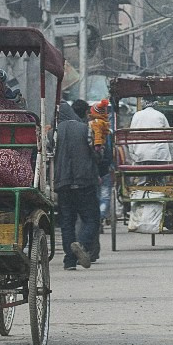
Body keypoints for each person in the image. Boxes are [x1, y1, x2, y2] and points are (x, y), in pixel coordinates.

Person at [54, 100, 101, 271]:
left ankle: (69, 261)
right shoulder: (85, 128)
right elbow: (96, 152)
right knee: (92, 219)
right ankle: (82, 243)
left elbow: (48, 154)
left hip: (63, 183)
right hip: (84, 181)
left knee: (67, 222)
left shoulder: (54, 132)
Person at [128, 99, 173, 185]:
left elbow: (131, 137)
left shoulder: (136, 115)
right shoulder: (161, 116)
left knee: (142, 177)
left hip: (141, 155)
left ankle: (141, 186)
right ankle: (160, 186)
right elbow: (169, 137)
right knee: (160, 179)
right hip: (160, 156)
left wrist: (133, 155)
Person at [88, 99, 112, 224]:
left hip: (93, 165)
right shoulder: (107, 129)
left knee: (96, 194)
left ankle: (98, 215)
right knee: (105, 194)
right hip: (105, 167)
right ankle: (102, 214)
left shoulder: (92, 125)